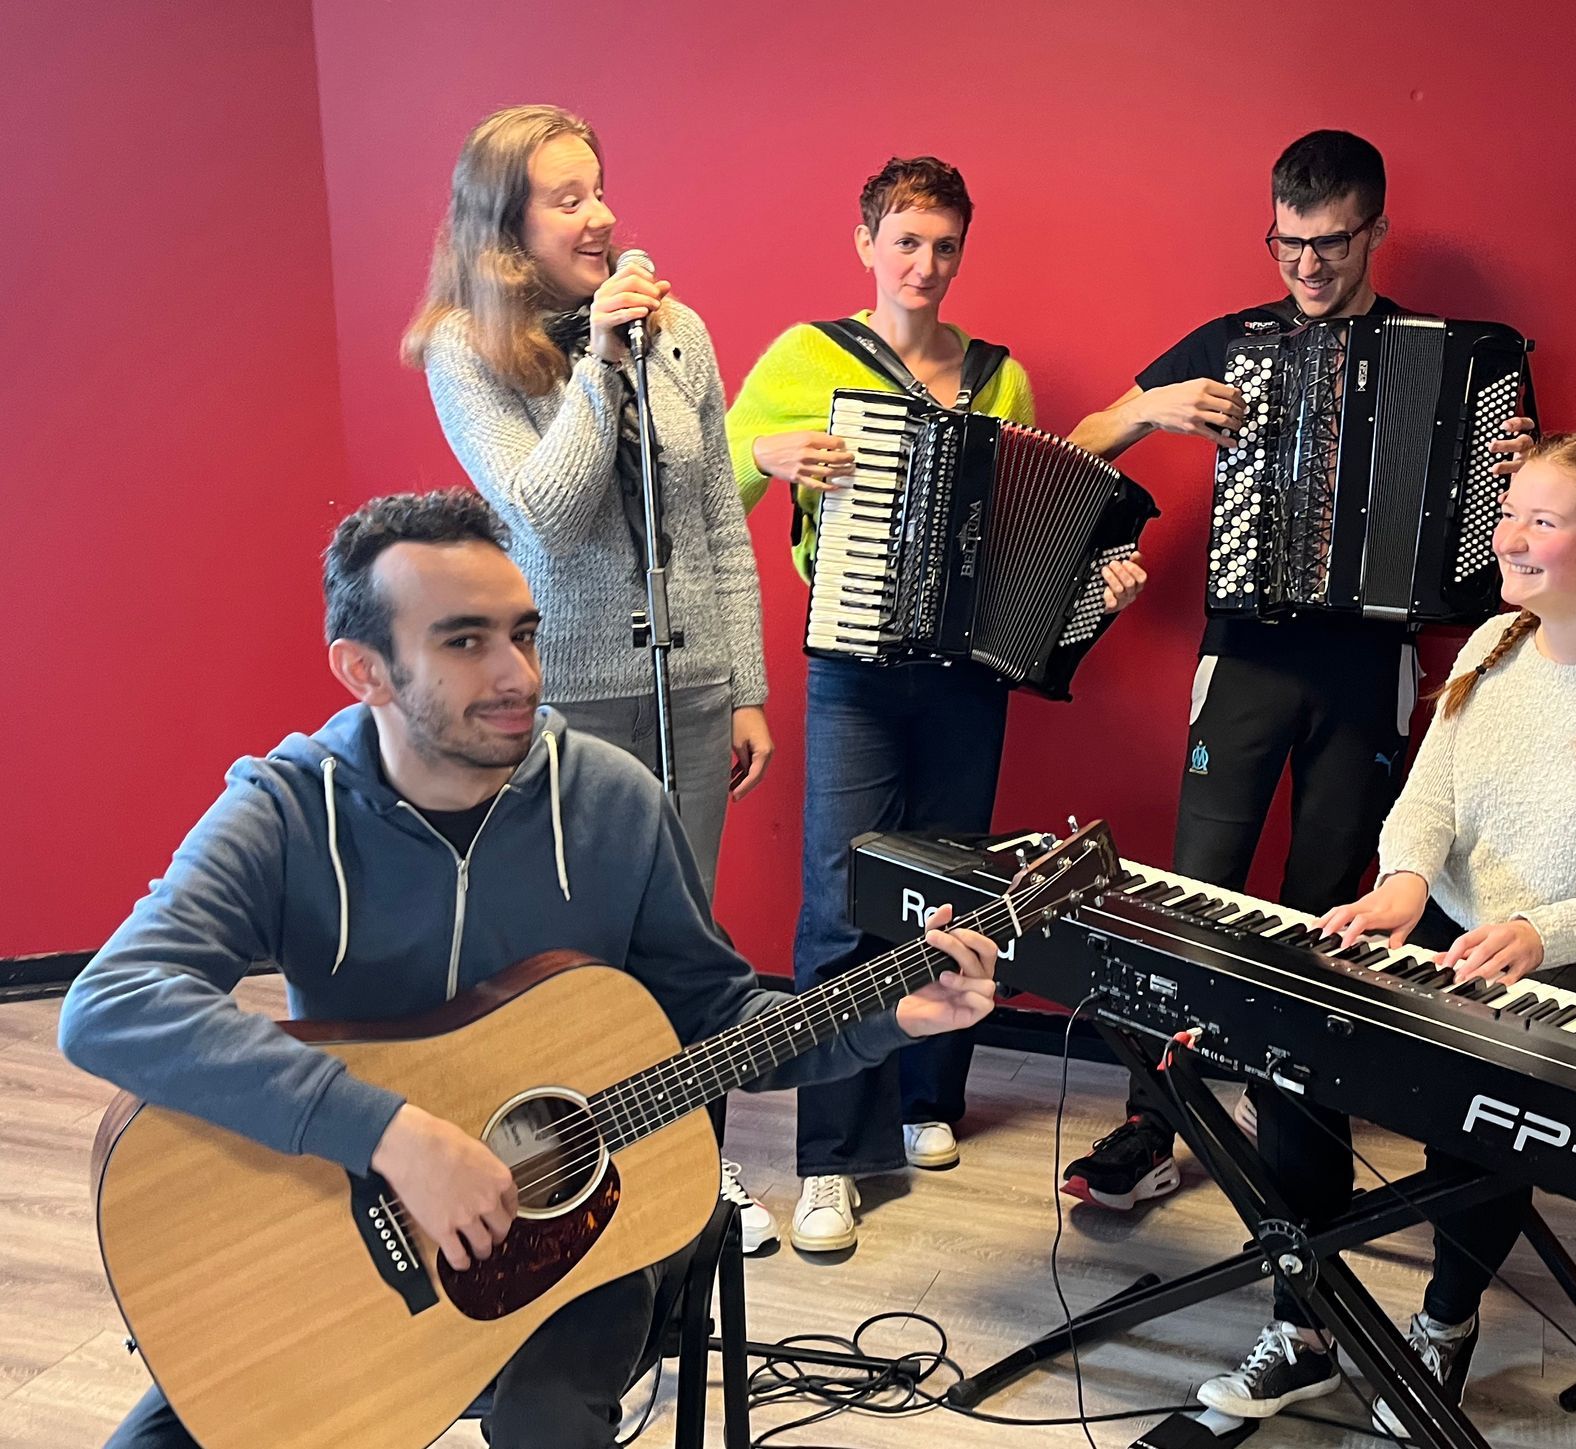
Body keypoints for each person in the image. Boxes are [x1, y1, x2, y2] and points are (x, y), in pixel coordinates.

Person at [58, 491, 998, 1449]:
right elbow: (111, 1003)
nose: (518, 674)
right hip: (337, 1239)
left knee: (548, 1424)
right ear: (364, 669)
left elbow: (718, 1021)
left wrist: (890, 1015)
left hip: (585, 1238)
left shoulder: (614, 801)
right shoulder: (288, 809)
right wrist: (394, 1136)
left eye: (523, 633)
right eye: (465, 641)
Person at [1191, 433, 1576, 1426]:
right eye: (1508, 514)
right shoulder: (1493, 642)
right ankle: (1306, 1326)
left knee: (1480, 1100)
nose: (1509, 538)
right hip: (1452, 937)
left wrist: (1537, 933)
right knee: (1287, 1049)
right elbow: (1426, 802)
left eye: (1542, 520)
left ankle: (1445, 1323)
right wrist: (1404, 882)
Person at [1060, 128, 1532, 1211]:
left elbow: (1519, 519)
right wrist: (1149, 408)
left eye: (1331, 244)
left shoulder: (1457, 361)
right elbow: (1083, 441)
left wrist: (1516, 466)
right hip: (1246, 656)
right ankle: (1153, 1122)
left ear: (1375, 231)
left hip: (1372, 667)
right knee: (1192, 894)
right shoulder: (1233, 340)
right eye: (1288, 244)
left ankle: (1295, 1125)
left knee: (1330, 909)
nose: (1308, 267)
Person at [727, 156, 1146, 1254]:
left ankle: (928, 1098)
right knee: (839, 899)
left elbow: (1025, 532)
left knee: (955, 891)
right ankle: (830, 1154)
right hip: (854, 665)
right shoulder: (807, 355)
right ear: (865, 243)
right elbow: (713, 480)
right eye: (905, 241)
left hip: (968, 671)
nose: (924, 264)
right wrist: (766, 450)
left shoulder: (999, 378)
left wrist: (1092, 587)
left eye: (944, 246)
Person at [403, 104, 778, 1241]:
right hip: (559, 700)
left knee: (684, 946)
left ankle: (692, 1168)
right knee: (569, 957)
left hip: (689, 686)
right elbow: (548, 515)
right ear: (505, 226)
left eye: (600, 189)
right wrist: (599, 367)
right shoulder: (466, 350)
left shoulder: (682, 333)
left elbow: (716, 523)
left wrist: (745, 684)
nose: (601, 216)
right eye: (568, 199)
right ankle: (571, 1173)